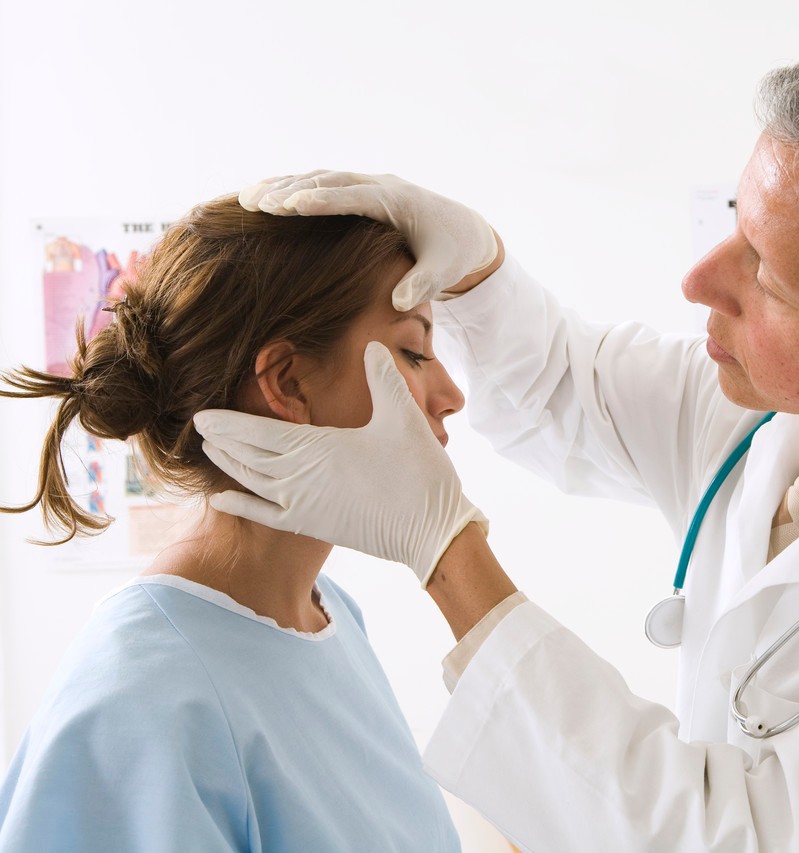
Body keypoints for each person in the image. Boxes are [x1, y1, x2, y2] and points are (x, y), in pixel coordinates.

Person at [196, 31, 799, 851]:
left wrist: (445, 549)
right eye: (732, 220)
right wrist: (476, 264)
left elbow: (722, 837)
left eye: (766, 274)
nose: (699, 280)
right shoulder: (788, 407)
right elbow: (559, 387)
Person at [0, 197, 472, 851]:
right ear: (288, 382)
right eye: (414, 351)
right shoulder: (139, 704)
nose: (451, 393)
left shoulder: (328, 614)